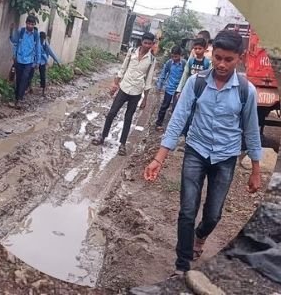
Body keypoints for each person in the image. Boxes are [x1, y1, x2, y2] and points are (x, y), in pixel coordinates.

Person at [144, 30, 263, 275]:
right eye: (218, 57)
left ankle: (200, 236)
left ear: (239, 58)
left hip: (226, 157)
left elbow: (251, 131)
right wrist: (159, 158)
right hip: (196, 151)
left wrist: (256, 170)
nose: (221, 64)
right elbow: (177, 120)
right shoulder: (196, 83)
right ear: (212, 53)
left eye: (228, 59)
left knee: (213, 214)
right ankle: (183, 262)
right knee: (188, 209)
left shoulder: (246, 90)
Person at [93, 32, 157, 156]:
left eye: (150, 43)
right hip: (124, 88)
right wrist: (115, 84)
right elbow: (123, 68)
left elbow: (148, 79)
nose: (147, 45)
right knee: (112, 113)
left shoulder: (151, 59)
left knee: (128, 118)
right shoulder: (132, 51)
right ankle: (103, 136)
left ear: (152, 44)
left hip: (137, 91)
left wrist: (145, 99)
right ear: (141, 42)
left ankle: (122, 144)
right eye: (145, 42)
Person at [9, 16, 40, 107]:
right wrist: (11, 31)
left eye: (32, 24)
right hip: (19, 59)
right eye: (28, 23)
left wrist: (37, 62)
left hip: (29, 61)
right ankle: (16, 98)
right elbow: (13, 40)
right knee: (18, 79)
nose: (30, 26)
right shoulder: (21, 32)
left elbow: (38, 48)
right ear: (26, 23)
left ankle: (19, 100)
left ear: (34, 25)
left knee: (24, 79)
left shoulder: (36, 35)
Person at [155, 46, 187, 129]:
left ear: (180, 55)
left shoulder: (184, 64)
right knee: (164, 106)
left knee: (176, 109)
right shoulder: (169, 63)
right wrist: (160, 85)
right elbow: (163, 74)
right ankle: (158, 123)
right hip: (169, 88)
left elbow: (186, 76)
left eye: (176, 56)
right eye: (172, 56)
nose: (174, 58)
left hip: (179, 90)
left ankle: (173, 127)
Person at [35, 31, 62, 97]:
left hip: (42, 62)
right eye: (40, 39)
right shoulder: (36, 42)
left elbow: (51, 53)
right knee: (30, 74)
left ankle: (43, 90)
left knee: (43, 76)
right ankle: (29, 87)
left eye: (43, 39)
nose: (41, 40)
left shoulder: (46, 45)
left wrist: (57, 61)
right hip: (35, 61)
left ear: (44, 39)